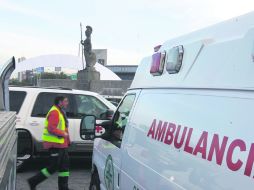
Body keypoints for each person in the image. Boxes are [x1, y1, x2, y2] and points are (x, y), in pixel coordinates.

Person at [27, 96, 71, 190]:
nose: (67, 103)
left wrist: (68, 141)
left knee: (64, 168)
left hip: (62, 145)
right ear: (60, 102)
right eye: (65, 101)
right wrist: (63, 134)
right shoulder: (54, 112)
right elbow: (51, 128)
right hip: (55, 145)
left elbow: (64, 128)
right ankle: (33, 181)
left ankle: (64, 188)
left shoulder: (60, 111)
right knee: (53, 167)